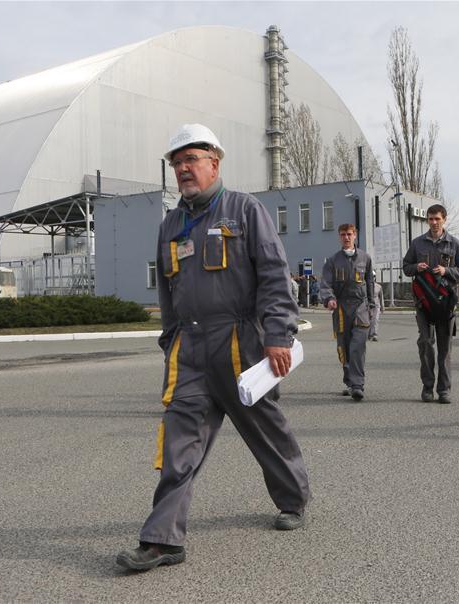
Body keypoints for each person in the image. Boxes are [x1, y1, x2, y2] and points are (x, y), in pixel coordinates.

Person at [116, 124, 310, 572]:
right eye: (176, 162)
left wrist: (279, 335)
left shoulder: (245, 209)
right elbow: (168, 289)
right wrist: (171, 340)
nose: (183, 169)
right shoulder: (170, 223)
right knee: (179, 441)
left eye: (191, 160)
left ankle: (293, 498)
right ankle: (163, 540)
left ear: (214, 163)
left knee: (265, 429)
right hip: (190, 349)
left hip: (241, 343)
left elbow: (275, 275)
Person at [402, 205, 459, 404]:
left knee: (445, 348)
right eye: (430, 219)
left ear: (444, 220)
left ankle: (444, 390)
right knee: (425, 343)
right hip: (423, 303)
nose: (434, 222)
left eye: (437, 219)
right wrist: (416, 267)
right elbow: (406, 267)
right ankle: (427, 387)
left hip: (446, 304)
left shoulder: (455, 245)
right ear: (427, 220)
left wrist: (446, 271)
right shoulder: (417, 244)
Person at [320, 224, 374, 401]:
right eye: (343, 234)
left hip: (361, 308)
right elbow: (326, 284)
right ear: (339, 237)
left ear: (355, 235)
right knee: (344, 347)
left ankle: (358, 384)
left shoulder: (365, 258)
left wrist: (372, 306)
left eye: (349, 234)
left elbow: (369, 284)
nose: (346, 237)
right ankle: (350, 381)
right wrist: (329, 299)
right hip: (341, 308)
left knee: (358, 345)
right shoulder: (332, 260)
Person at [368, 273, 385, 342]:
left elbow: (381, 297)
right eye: (371, 276)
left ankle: (374, 334)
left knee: (375, 320)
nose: (373, 278)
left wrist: (382, 306)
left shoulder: (379, 286)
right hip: (368, 305)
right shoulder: (366, 286)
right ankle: (368, 334)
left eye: (374, 276)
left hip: (376, 305)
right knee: (368, 320)